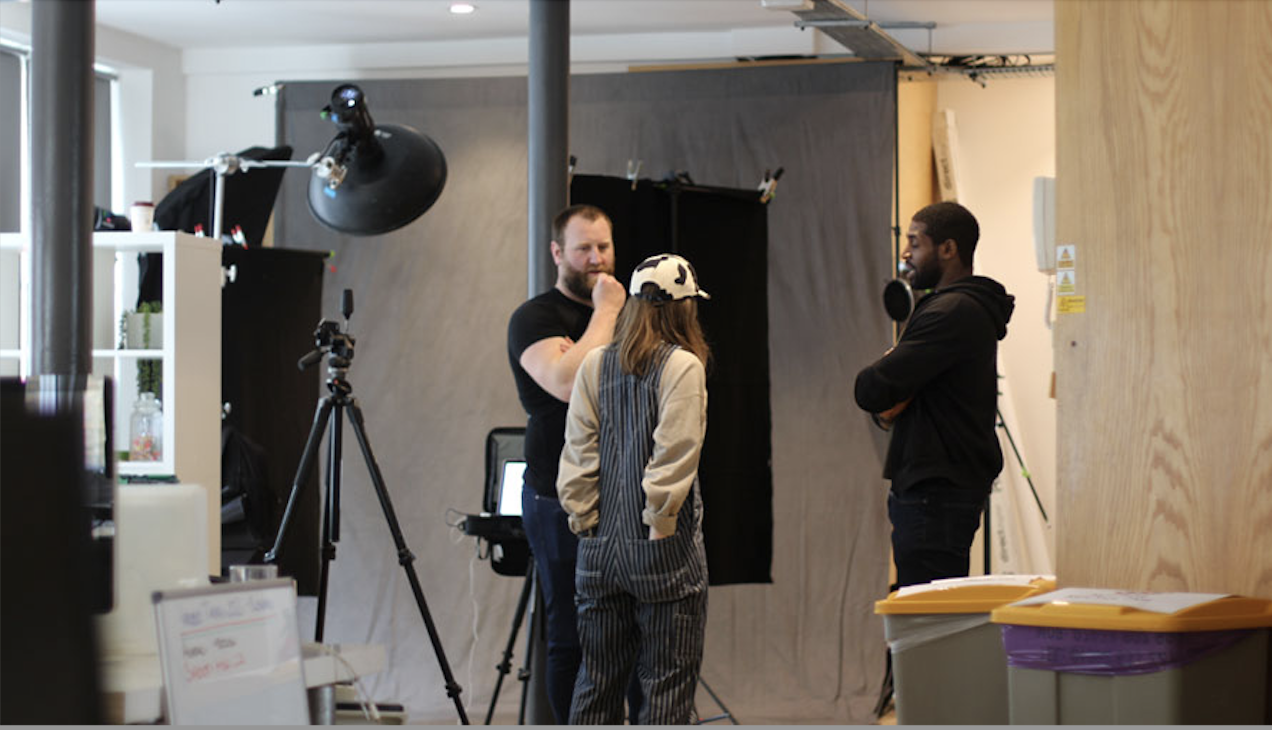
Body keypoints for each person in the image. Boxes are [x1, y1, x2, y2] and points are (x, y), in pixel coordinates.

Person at [558, 253, 712, 725]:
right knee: (665, 686)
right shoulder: (682, 365)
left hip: (598, 550)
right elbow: (675, 452)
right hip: (661, 552)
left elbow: (577, 452)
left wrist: (584, 520)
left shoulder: (594, 364)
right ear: (684, 307)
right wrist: (660, 523)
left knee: (597, 681)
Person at [506, 204, 626, 724]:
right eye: (583, 248)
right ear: (558, 253)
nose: (596, 259)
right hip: (556, 497)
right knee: (572, 634)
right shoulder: (536, 318)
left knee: (631, 630)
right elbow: (567, 382)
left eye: (603, 246)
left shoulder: (629, 312)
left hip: (622, 492)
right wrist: (605, 313)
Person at [854, 201, 1015, 588]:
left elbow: (872, 388)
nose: (907, 254)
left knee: (925, 622)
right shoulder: (963, 308)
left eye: (916, 242)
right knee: (929, 614)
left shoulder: (950, 312)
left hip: (934, 494)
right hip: (938, 491)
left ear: (948, 249)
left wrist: (888, 371)